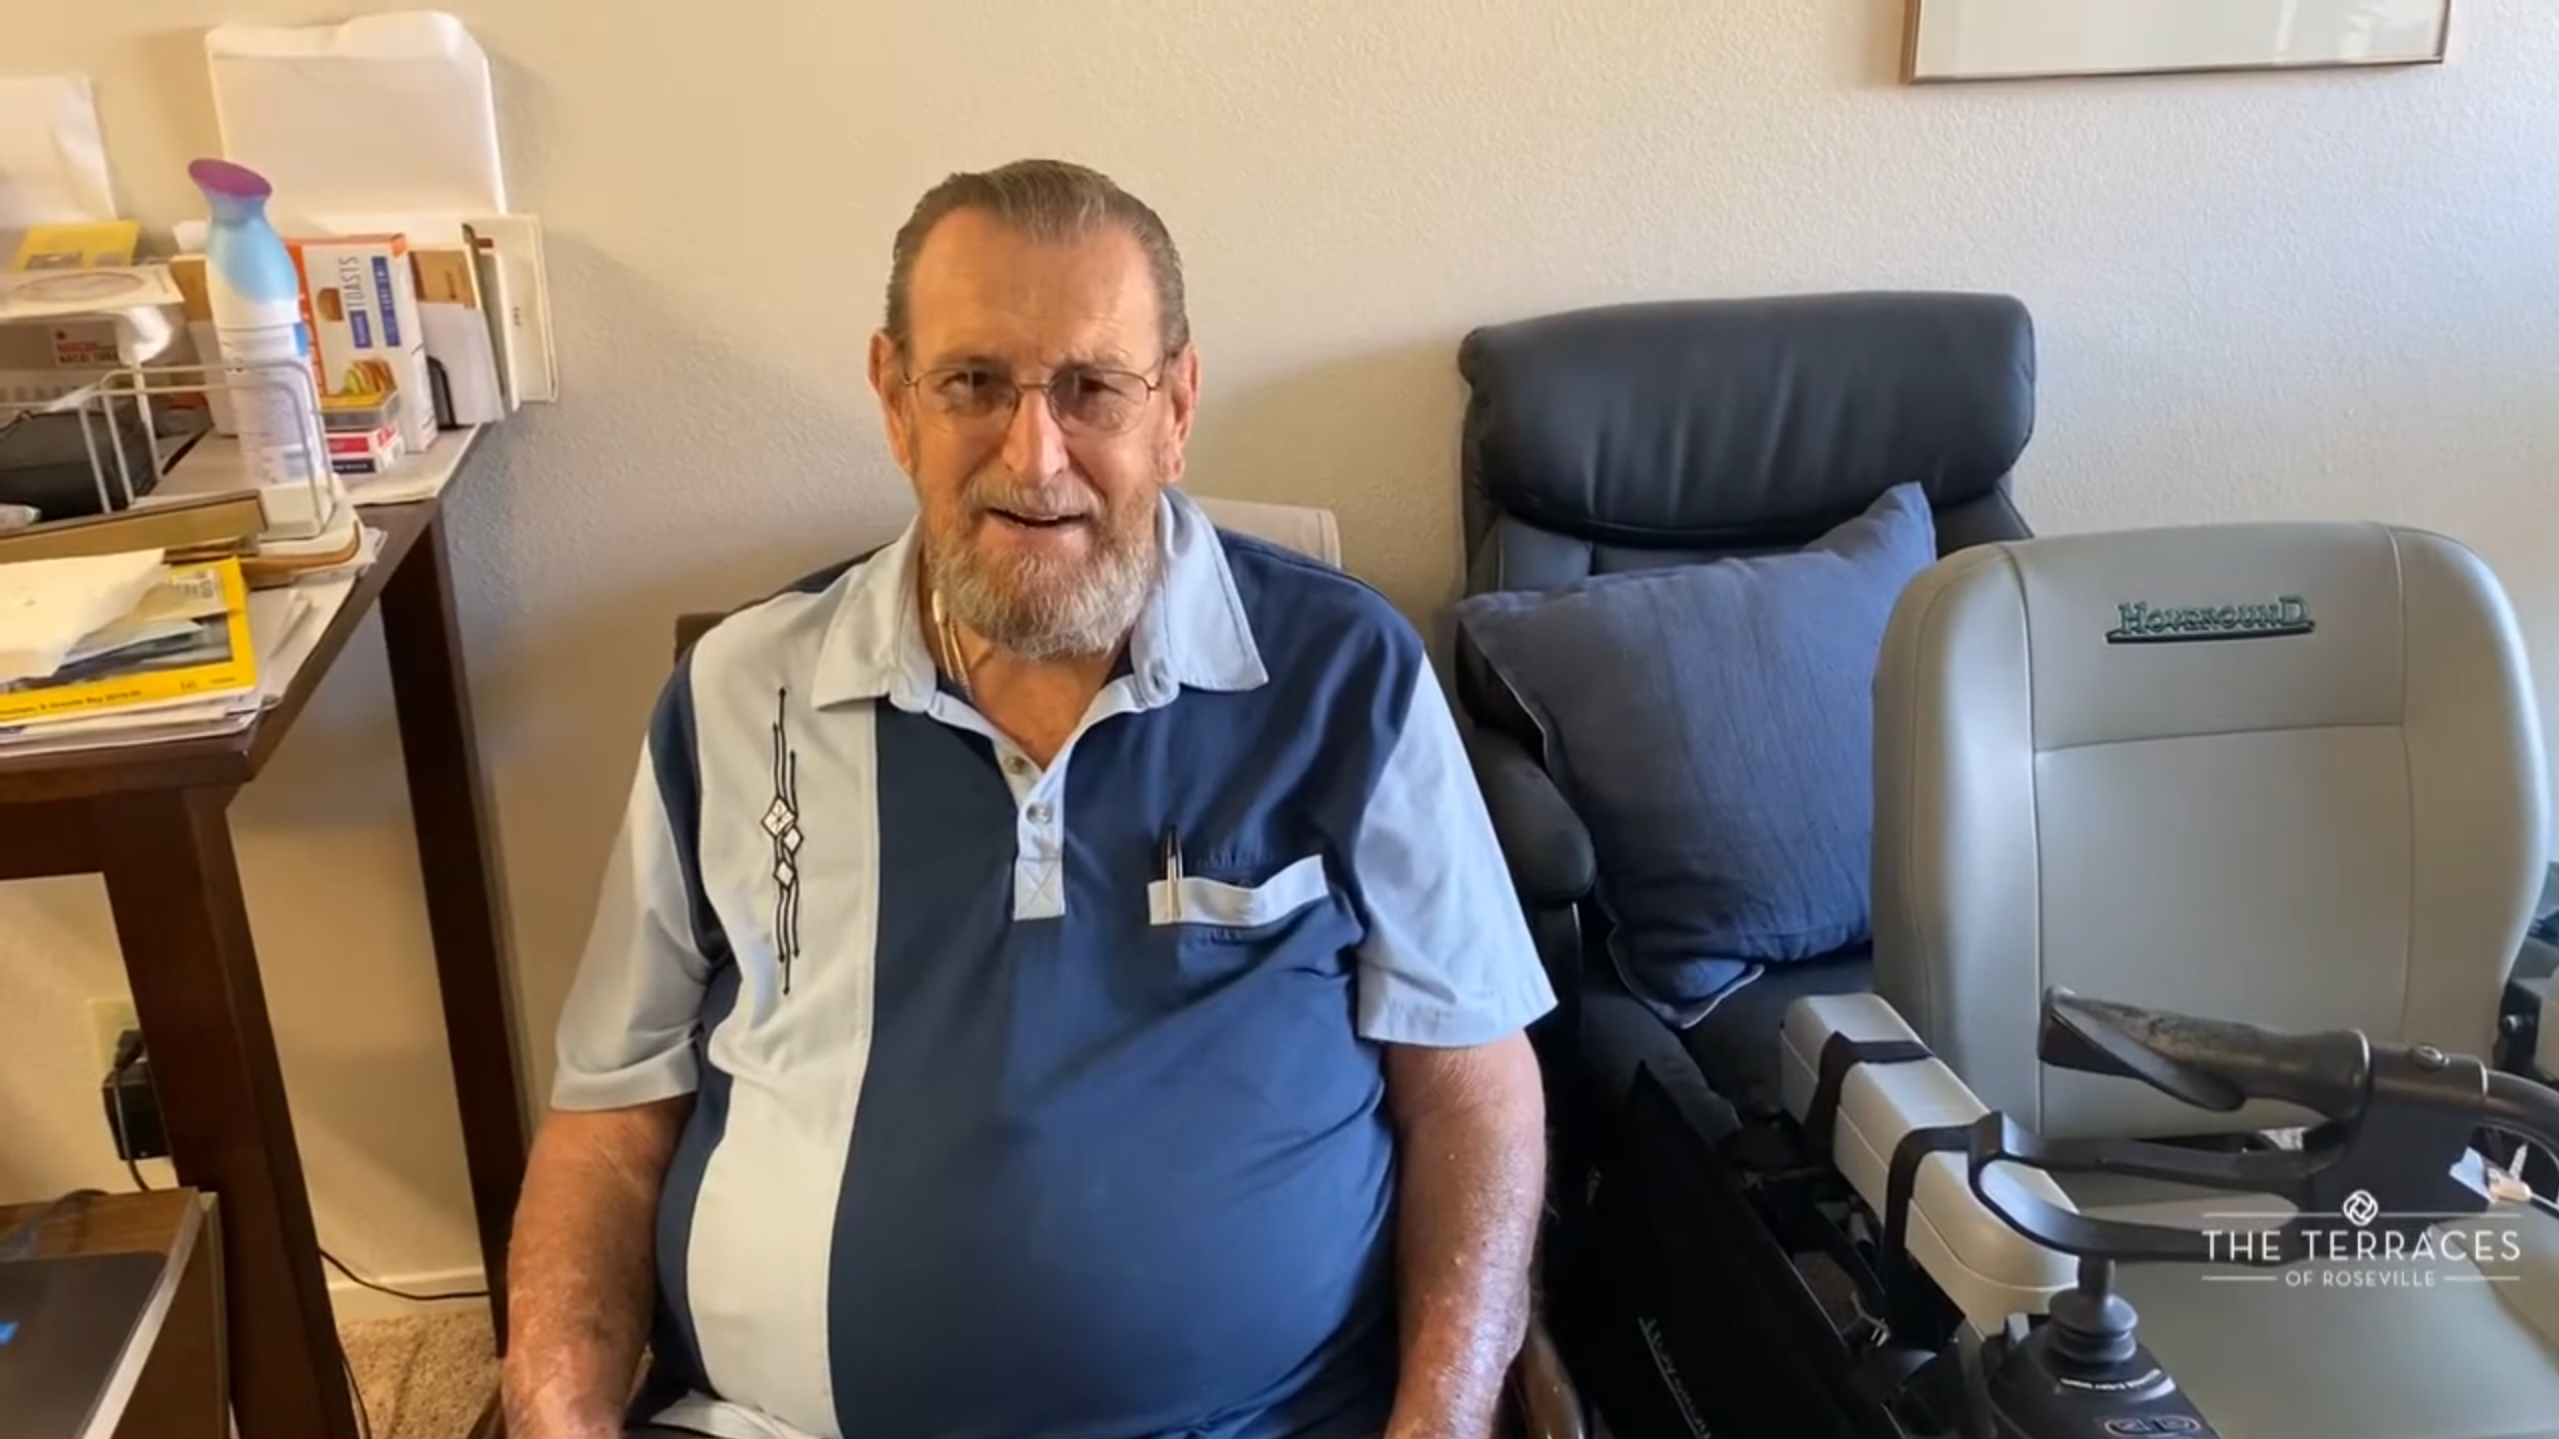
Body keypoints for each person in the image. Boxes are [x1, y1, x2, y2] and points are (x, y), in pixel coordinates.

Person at [500, 158, 1558, 1439]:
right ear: (896, 400)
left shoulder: (1349, 676)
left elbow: (1472, 1086)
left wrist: (1441, 1423)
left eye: (1092, 387)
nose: (1034, 453)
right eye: (974, 384)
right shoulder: (739, 692)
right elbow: (611, 1115)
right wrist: (555, 1407)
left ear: (1176, 406)